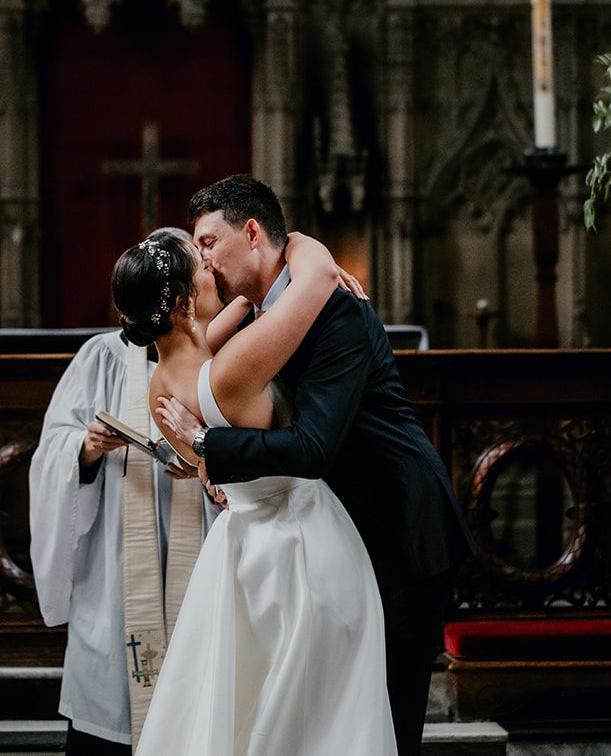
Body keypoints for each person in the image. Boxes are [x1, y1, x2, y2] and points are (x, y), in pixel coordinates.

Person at [156, 174, 474, 756]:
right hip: (337, 535)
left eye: (207, 243)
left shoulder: (335, 312)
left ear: (251, 233)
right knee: (330, 721)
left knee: (385, 722)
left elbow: (313, 447)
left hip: (400, 530)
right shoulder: (260, 312)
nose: (202, 261)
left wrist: (208, 447)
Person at [115, 227, 397, 756]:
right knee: (317, 713)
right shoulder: (232, 368)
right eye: (199, 265)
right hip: (299, 543)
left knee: (247, 702)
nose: (209, 265)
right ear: (181, 301)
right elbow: (311, 284)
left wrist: (205, 463)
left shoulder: (161, 385)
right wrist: (297, 243)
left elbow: (236, 311)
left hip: (239, 545)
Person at [28, 227, 211, 756]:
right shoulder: (101, 357)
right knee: (113, 707)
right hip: (116, 562)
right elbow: (52, 447)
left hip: (197, 546)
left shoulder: (217, 353)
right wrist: (84, 448)